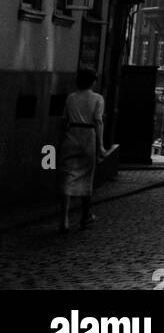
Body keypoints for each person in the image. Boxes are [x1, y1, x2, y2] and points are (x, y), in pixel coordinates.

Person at [57, 68, 108, 233]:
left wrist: (60, 140)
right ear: (92, 82)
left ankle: (64, 218)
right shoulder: (97, 98)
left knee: (68, 175)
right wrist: (100, 145)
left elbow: (63, 120)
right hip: (88, 136)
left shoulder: (71, 98)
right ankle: (85, 217)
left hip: (71, 135)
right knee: (87, 176)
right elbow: (98, 121)